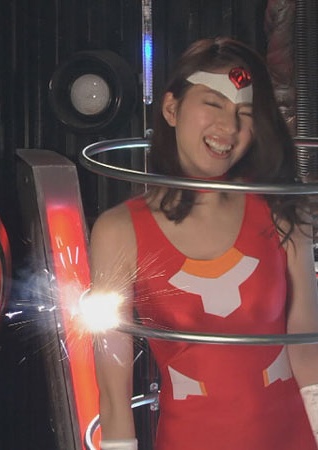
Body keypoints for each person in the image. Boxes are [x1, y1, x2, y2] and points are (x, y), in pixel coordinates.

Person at [89, 37, 318, 450]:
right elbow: (113, 391)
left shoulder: (283, 211)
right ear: (171, 108)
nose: (229, 128)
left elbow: (308, 346)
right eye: (213, 104)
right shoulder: (118, 232)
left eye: (244, 113)